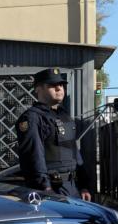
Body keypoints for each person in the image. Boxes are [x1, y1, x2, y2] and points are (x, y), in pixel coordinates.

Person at [15, 68, 91, 201]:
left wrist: (83, 185)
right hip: (51, 189)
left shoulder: (64, 116)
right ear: (38, 89)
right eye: (52, 85)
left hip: (73, 188)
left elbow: (75, 153)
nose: (59, 88)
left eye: (61, 85)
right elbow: (33, 156)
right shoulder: (32, 118)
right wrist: (44, 187)